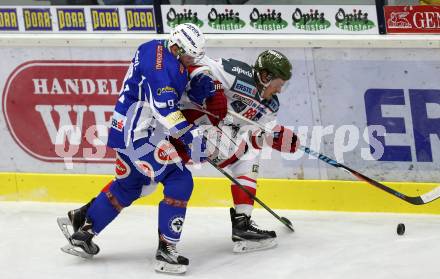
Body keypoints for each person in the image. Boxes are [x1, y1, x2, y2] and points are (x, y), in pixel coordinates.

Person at [57, 23, 226, 274]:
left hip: (122, 128)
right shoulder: (163, 69)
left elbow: (164, 87)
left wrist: (194, 87)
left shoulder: (154, 47)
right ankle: (167, 250)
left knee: (128, 185)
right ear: (177, 48)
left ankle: (84, 234)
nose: (191, 60)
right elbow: (165, 110)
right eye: (189, 55)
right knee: (180, 179)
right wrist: (192, 139)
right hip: (140, 135)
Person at [174, 49, 299, 253]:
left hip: (208, 135)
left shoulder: (271, 106)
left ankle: (243, 224)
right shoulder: (236, 73)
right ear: (266, 76)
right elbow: (196, 63)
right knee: (247, 155)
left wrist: (278, 138)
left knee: (142, 183)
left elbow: (254, 133)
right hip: (188, 122)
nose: (280, 90)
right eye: (279, 84)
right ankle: (242, 224)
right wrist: (208, 89)